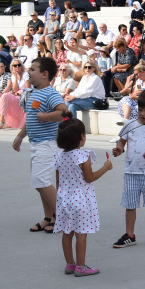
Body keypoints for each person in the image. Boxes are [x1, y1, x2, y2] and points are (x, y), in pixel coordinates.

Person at [12, 57, 69, 234]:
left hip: (48, 144)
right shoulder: (33, 93)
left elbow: (64, 112)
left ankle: (61, 217)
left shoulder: (50, 93)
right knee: (40, 183)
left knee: (41, 181)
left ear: (45, 75)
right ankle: (49, 217)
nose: (28, 71)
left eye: (33, 69)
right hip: (37, 144)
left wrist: (44, 117)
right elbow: (30, 118)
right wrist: (20, 135)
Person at [53, 118, 113, 277]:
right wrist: (106, 168)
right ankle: (81, 266)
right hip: (80, 198)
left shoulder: (58, 157)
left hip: (64, 197)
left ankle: (70, 264)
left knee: (67, 233)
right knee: (81, 234)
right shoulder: (83, 156)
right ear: (81, 136)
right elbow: (89, 177)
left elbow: (58, 181)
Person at [110, 89, 145, 249]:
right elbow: (121, 142)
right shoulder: (130, 125)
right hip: (131, 172)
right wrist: (119, 149)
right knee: (130, 205)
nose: (142, 113)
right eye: (140, 109)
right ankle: (129, 234)